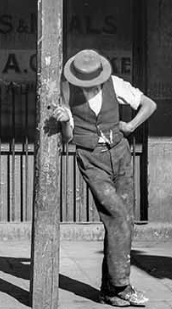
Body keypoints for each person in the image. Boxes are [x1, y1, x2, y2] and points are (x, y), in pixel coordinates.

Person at [50, 49, 156, 307]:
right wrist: (64, 121)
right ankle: (123, 285)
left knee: (122, 221)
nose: (90, 85)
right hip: (91, 158)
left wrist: (130, 127)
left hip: (120, 154)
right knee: (118, 215)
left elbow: (149, 104)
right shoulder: (68, 92)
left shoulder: (114, 84)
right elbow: (66, 138)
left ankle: (109, 291)